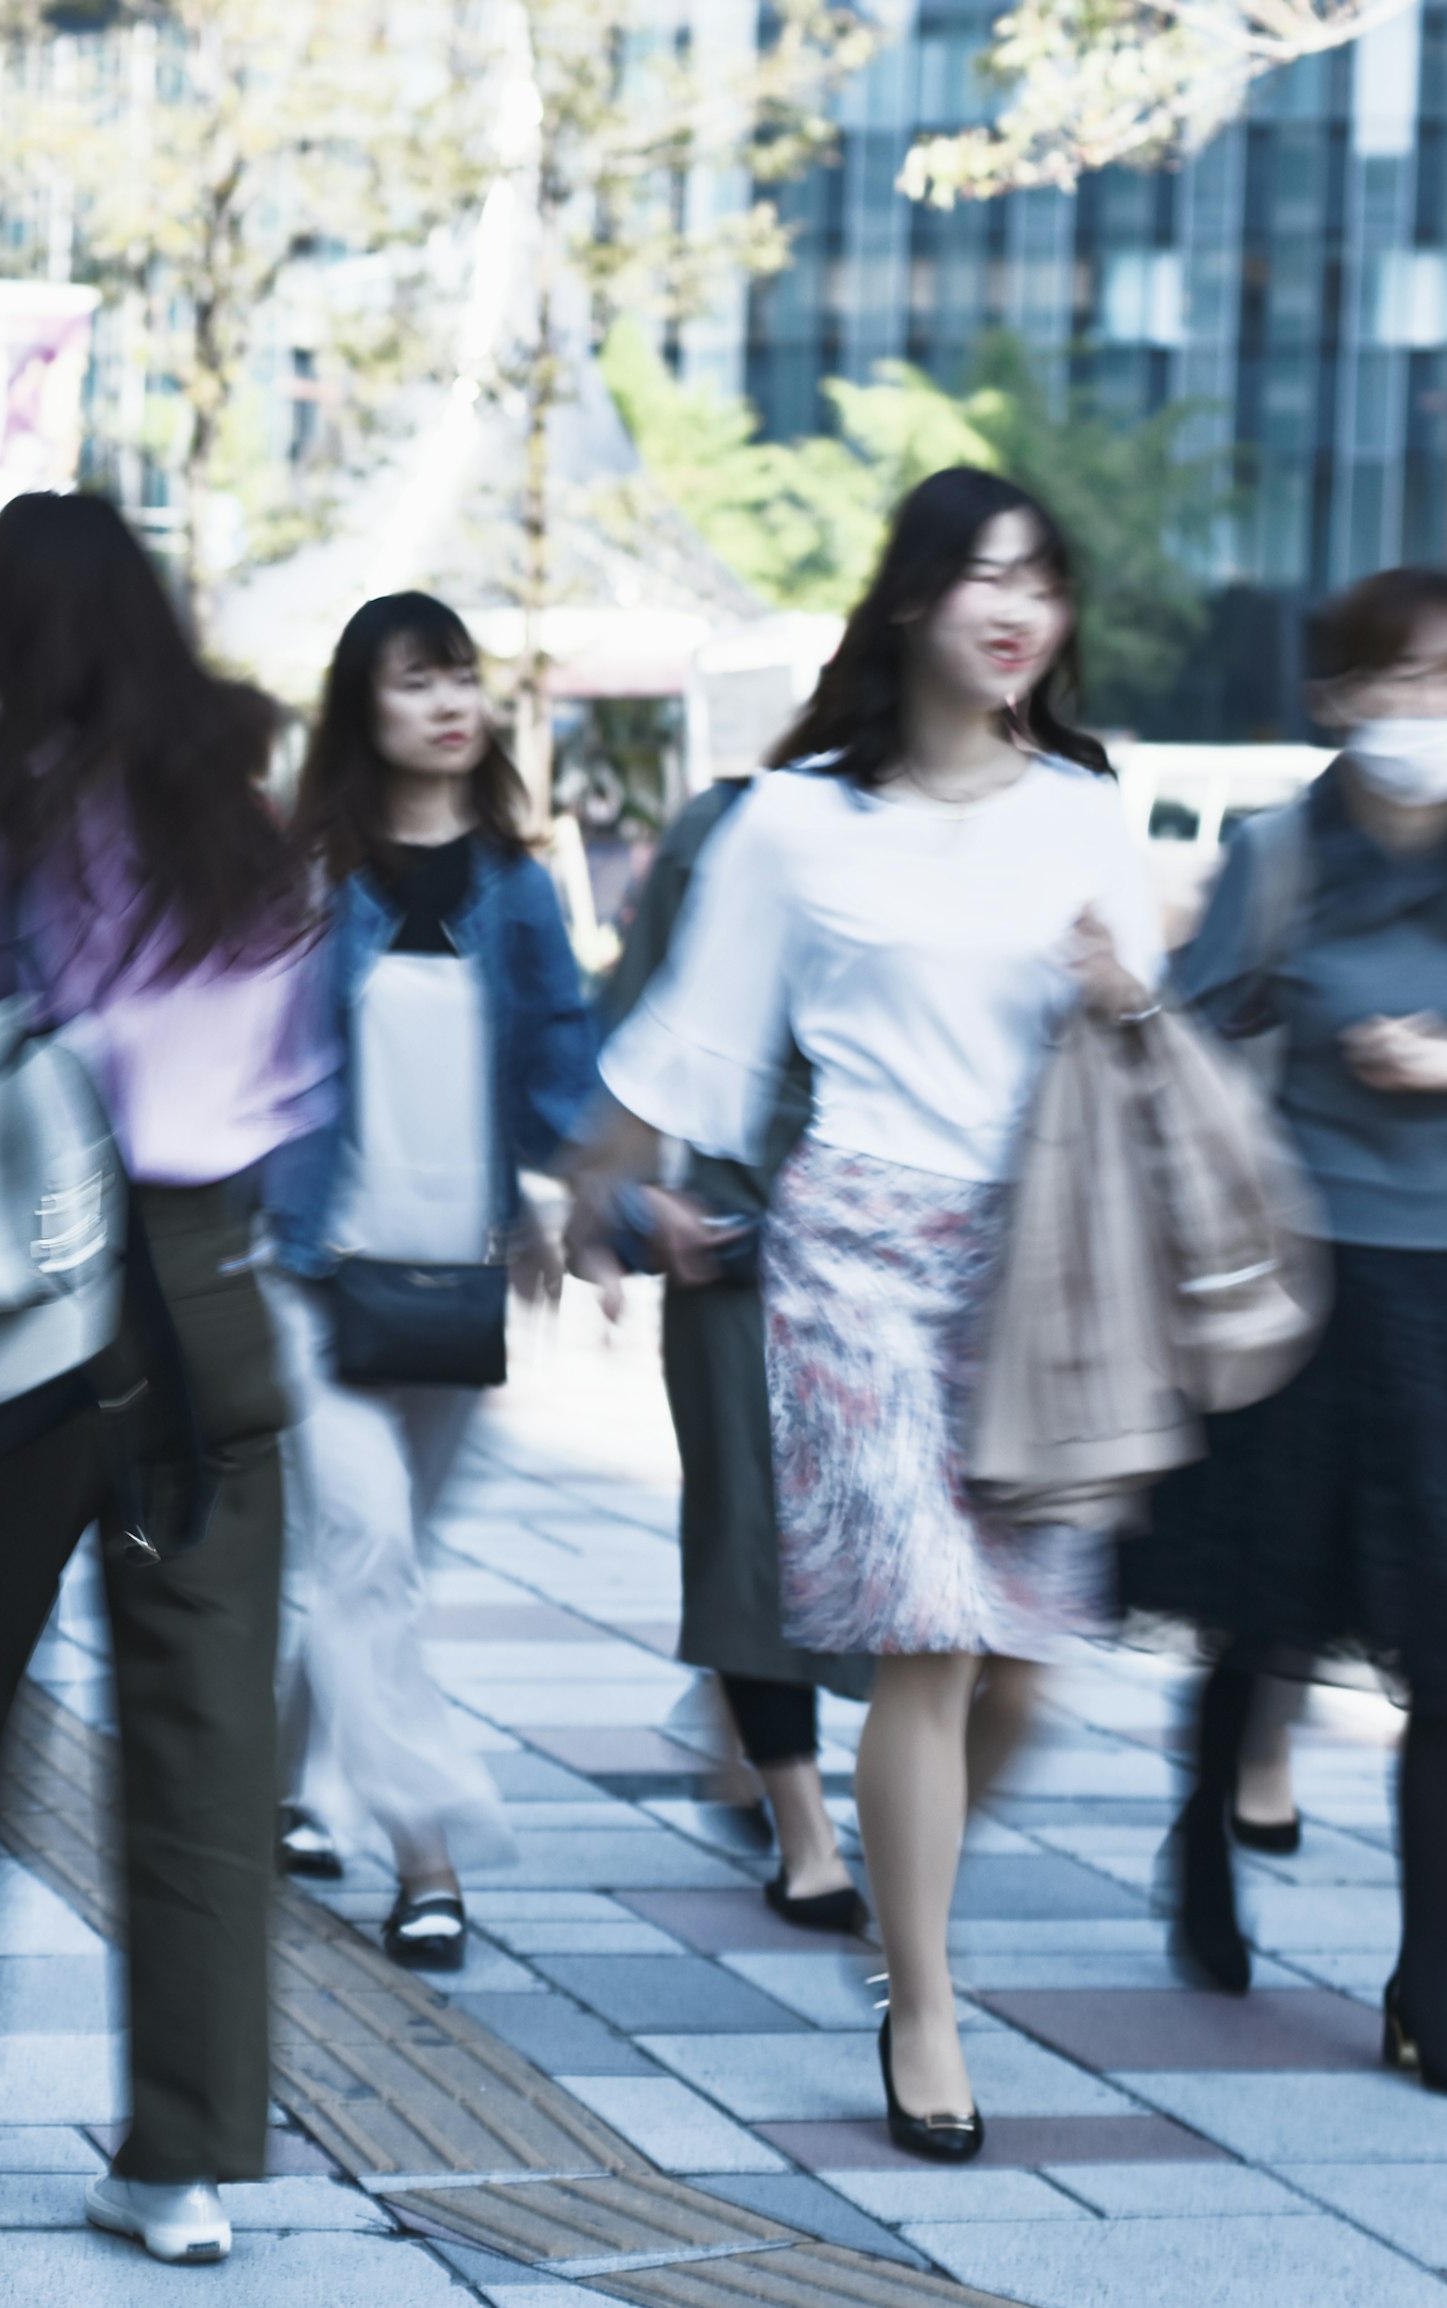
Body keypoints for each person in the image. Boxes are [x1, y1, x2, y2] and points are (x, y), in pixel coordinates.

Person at [582, 468, 1161, 2162]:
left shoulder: (1089, 808)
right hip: (855, 1257)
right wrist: (587, 1186)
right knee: (929, 1637)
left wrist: (1126, 997)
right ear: (911, 599)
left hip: (1039, 1266)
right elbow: (701, 1040)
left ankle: (913, 1891)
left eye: (1042, 581)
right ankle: (924, 1996)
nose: (1015, 608)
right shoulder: (793, 821)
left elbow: (1151, 1057)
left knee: (1026, 1660)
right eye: (983, 575)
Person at [0, 491, 319, 2269]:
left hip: (18, 1290)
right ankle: (177, 2154)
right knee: (206, 1728)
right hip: (212, 1290)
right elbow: (297, 1073)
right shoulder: (255, 812)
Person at [1119, 567, 1447, 2104]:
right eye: (1410, 684)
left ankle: (1425, 1987)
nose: (1443, 716)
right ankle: (1205, 1845)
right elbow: (1189, 1036)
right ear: (1341, 699)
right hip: (1299, 1289)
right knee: (1269, 1609)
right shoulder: (1280, 856)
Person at [258, 593, 600, 1968]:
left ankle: (281, 1787)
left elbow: (563, 1067)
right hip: (310, 1268)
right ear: (363, 710)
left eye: (462, 680)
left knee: (368, 1566)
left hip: (458, 1276)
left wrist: (595, 1210)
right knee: (369, 1546)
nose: (450, 705)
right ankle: (428, 1852)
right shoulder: (307, 877)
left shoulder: (517, 887)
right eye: (417, 684)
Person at [601, 769, 873, 1934]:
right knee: (750, 1542)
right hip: (741, 1242)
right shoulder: (730, 824)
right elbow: (638, 1017)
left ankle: (744, 1735)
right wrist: (621, 1200)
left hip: (907, 1253)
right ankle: (808, 1836)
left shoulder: (995, 831)